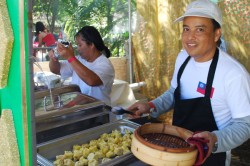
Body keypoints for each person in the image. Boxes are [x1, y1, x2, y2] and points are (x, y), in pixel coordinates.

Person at [127, 0, 250, 165]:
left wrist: (215, 138)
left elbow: (244, 125)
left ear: (216, 34)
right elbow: (173, 93)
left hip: (210, 156)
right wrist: (150, 106)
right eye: (186, 29)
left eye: (199, 29)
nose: (190, 37)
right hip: (175, 149)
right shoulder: (183, 58)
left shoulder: (233, 74)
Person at [48, 26, 115, 105]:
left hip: (98, 113)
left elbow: (91, 80)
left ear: (91, 45)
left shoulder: (105, 64)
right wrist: (54, 57)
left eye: (80, 45)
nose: (78, 49)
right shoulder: (79, 60)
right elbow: (56, 69)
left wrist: (70, 57)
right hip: (81, 111)